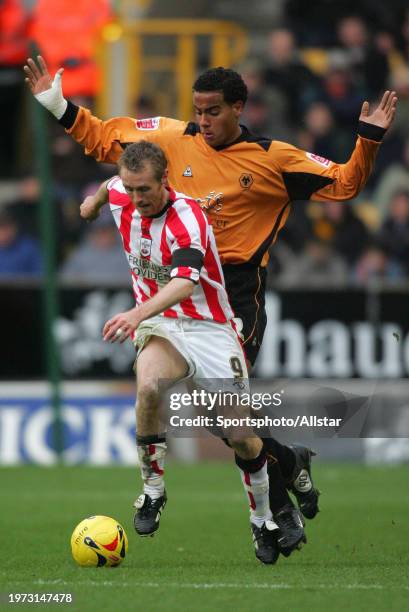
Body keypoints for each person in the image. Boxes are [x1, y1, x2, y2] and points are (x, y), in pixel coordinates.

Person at [24, 56, 397, 552]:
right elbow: (105, 140)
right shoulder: (169, 139)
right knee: (220, 417)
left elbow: (347, 183)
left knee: (225, 419)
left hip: (234, 292)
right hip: (175, 289)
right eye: (198, 110)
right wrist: (57, 105)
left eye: (214, 111)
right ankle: (286, 476)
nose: (203, 120)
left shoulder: (273, 159)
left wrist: (367, 139)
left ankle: (279, 495)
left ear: (238, 108)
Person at [83, 140, 288, 565]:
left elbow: (184, 284)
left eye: (146, 190)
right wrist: (92, 203)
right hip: (164, 326)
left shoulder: (188, 219)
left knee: (242, 439)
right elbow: (109, 186)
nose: (137, 199)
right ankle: (153, 491)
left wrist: (135, 313)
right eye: (131, 189)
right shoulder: (122, 191)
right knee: (149, 388)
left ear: (166, 182)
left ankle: (262, 519)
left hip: (210, 327)